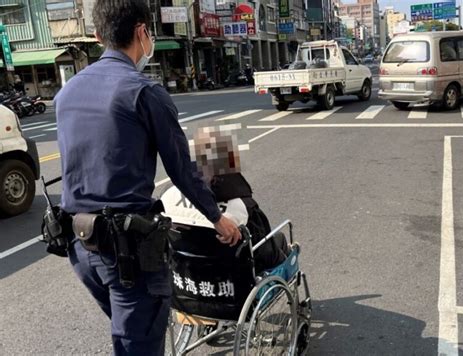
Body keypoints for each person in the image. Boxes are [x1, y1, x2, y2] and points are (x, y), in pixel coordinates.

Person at [54, 1, 240, 355]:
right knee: (137, 345)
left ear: (97, 35)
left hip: (79, 245)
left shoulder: (67, 93)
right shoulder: (144, 92)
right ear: (142, 32)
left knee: (128, 336)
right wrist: (219, 220)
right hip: (127, 254)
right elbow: (182, 170)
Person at [161, 126, 290, 272]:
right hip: (231, 278)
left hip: (186, 271)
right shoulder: (242, 206)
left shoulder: (168, 193)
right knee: (279, 239)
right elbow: (266, 254)